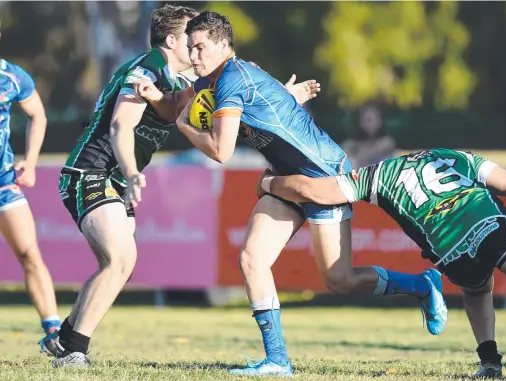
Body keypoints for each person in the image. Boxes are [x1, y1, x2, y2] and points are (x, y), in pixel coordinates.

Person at [135, 11, 447, 376]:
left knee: (339, 280)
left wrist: (185, 127)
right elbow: (177, 105)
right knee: (252, 258)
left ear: (223, 45)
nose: (194, 55)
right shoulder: (213, 79)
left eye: (201, 47)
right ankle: (277, 360)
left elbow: (221, 151)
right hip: (288, 176)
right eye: (190, 48)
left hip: (324, 176)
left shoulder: (233, 80)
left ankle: (422, 286)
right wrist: (156, 94)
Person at [43, 4, 322, 369]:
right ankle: (74, 351)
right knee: (121, 259)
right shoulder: (146, 69)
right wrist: (130, 171)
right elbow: (120, 127)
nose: (195, 47)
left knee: (116, 265)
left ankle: (64, 340)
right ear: (172, 40)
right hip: (91, 173)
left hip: (115, 179)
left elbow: (200, 104)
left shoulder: (181, 83)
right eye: (190, 40)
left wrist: (280, 99)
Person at [255, 148, 506, 379]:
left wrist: (269, 183)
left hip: (449, 245)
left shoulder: (376, 174)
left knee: (477, 287)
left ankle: (489, 361)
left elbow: (315, 192)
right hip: (489, 222)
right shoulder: (454, 156)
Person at [0, 29, 60, 349]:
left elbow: (38, 114)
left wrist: (31, 161)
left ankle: (54, 335)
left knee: (29, 253)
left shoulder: (11, 76)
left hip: (3, 182)